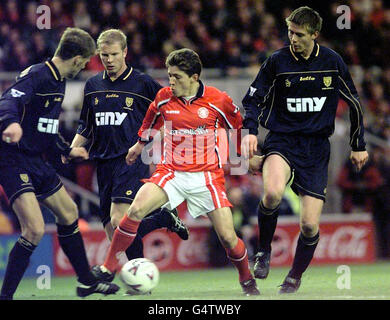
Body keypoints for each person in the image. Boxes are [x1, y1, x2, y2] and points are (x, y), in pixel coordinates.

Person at [92, 48, 260, 296]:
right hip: (171, 172)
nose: (171, 81)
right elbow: (151, 118)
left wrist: (248, 153)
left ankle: (247, 280)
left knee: (228, 238)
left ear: (194, 77)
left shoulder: (217, 99)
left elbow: (238, 125)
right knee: (135, 210)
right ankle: (107, 267)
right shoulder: (163, 97)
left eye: (177, 76)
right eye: (170, 75)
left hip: (207, 177)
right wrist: (139, 144)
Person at [242, 6, 369, 294]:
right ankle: (263, 252)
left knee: (310, 225)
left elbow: (355, 102)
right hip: (282, 140)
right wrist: (250, 134)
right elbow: (251, 100)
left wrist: (358, 144)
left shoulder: (332, 61)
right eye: (290, 32)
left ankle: (294, 276)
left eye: (299, 34)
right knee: (272, 192)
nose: (293, 39)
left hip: (315, 149)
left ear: (314, 34)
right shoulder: (277, 61)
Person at [0, 27, 119, 300]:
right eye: (86, 60)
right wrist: (11, 124)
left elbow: (47, 128)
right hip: (11, 159)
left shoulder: (59, 81)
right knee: (34, 229)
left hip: (34, 159)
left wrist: (65, 151)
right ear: (77, 59)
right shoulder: (37, 75)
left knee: (68, 211)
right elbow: (6, 102)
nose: (86, 66)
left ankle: (87, 281)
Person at [67, 29, 189, 261]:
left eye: (113, 54)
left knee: (119, 219)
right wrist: (73, 147)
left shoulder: (143, 84)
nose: (109, 60)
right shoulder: (92, 85)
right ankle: (140, 276)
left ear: (125, 52)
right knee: (114, 232)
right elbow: (86, 125)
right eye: (104, 56)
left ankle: (160, 222)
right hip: (103, 163)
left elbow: (170, 110)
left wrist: (168, 134)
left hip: (131, 159)